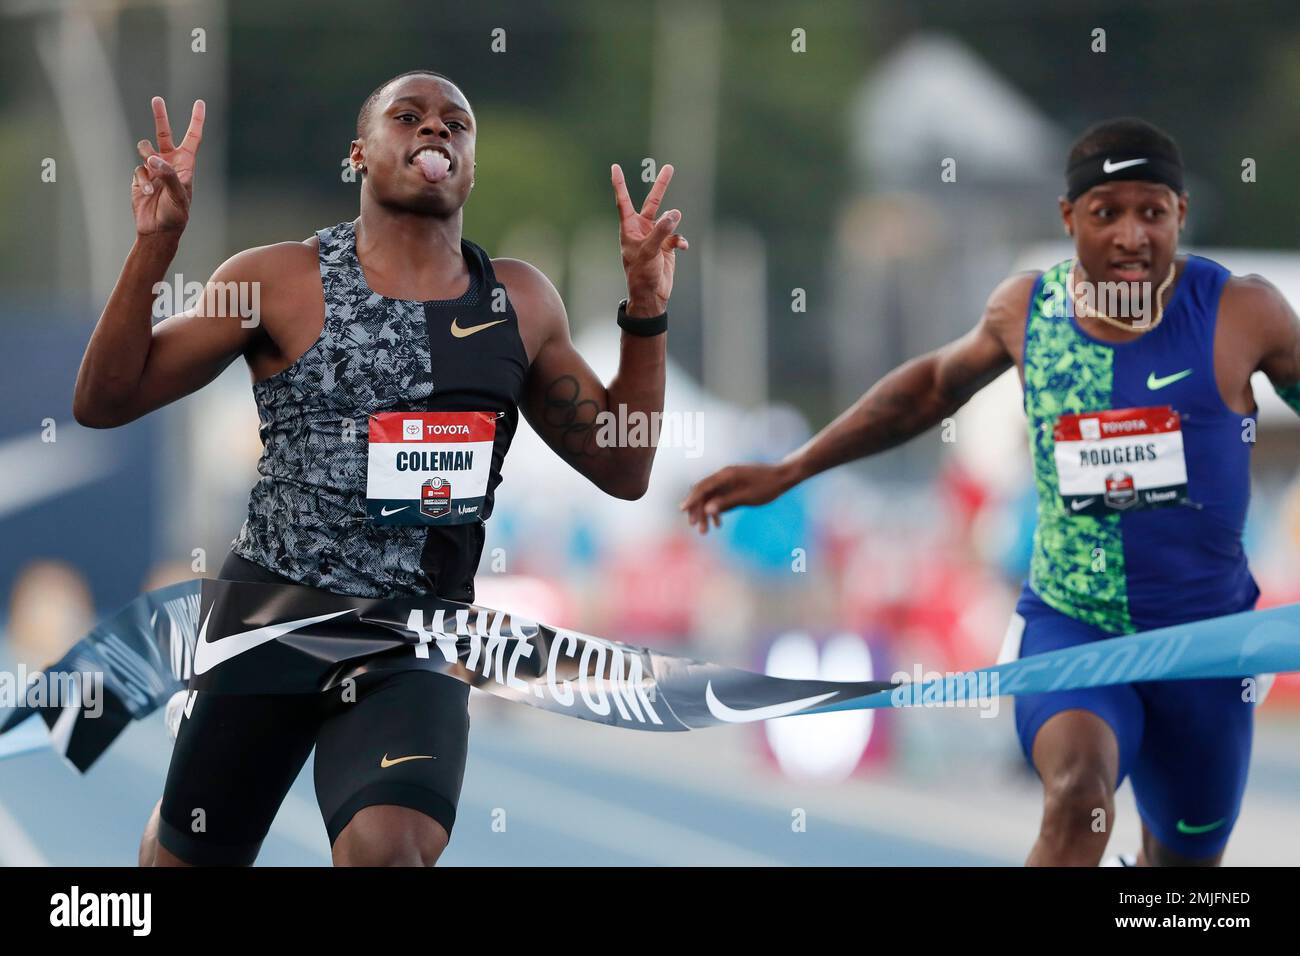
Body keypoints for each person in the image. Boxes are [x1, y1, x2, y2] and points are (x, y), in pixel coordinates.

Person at [73, 69, 688, 866]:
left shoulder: (520, 304)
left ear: (471, 163)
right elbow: (105, 399)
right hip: (270, 616)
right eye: (410, 116)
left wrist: (646, 308)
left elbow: (623, 466)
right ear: (359, 153)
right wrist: (156, 246)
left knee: (390, 852)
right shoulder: (274, 282)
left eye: (455, 124)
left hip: (416, 635)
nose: (436, 131)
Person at [683, 117, 1300, 866]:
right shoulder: (1027, 313)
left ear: (1181, 216)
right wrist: (792, 469)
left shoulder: (1245, 312)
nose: (1132, 237)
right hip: (1077, 629)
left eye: (1153, 212)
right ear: (1070, 218)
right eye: (1107, 213)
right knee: (1078, 799)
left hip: (1206, 644)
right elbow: (928, 392)